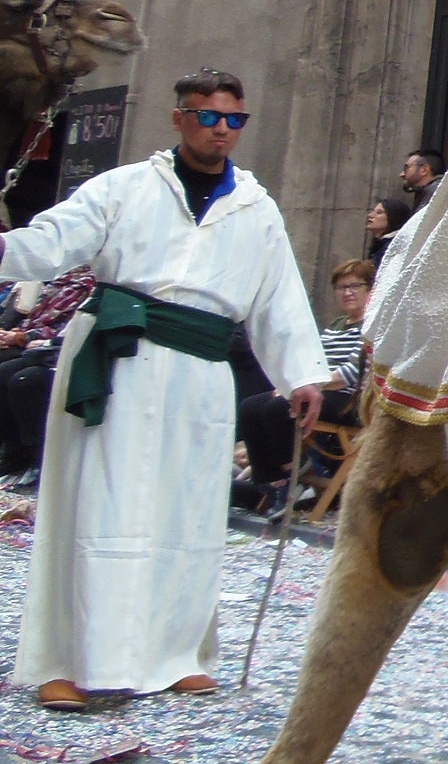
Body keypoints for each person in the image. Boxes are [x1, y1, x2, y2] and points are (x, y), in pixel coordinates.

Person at [0, 68, 325, 709]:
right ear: (179, 118)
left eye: (234, 119)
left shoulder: (256, 210)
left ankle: (173, 653)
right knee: (99, 503)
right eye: (208, 116)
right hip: (118, 356)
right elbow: (55, 242)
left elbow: (278, 302)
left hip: (198, 372)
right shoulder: (124, 188)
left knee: (188, 510)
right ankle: (70, 659)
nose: (222, 130)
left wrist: (302, 376)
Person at [236, 258, 370, 514]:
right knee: (251, 407)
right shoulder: (335, 327)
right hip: (318, 390)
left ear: (369, 290)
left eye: (355, 286)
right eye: (341, 287)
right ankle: (273, 483)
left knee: (279, 408)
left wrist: (305, 385)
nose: (348, 292)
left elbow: (351, 373)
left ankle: (297, 470)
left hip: (347, 397)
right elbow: (313, 360)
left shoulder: (371, 326)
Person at [0, 266, 95, 487]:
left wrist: (22, 337)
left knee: (25, 381)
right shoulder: (57, 279)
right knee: (6, 372)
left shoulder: (87, 284)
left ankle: (34, 459)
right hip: (42, 344)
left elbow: (66, 329)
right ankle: (14, 457)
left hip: (65, 350)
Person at [367, 196, 412, 263]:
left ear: (393, 217)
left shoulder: (393, 247)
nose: (370, 215)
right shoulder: (381, 244)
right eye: (373, 211)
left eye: (379, 212)